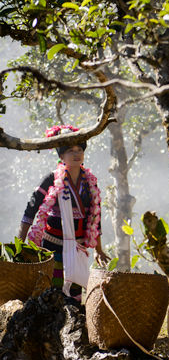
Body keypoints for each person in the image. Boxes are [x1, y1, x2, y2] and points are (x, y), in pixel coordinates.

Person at [18, 125, 110, 301]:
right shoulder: (51, 179)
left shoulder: (90, 183)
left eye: (79, 150)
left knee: (75, 294)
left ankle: (74, 324)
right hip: (52, 246)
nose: (76, 154)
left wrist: (98, 249)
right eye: (70, 150)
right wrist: (20, 243)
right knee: (53, 290)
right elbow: (30, 211)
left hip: (78, 247)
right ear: (61, 156)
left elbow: (96, 218)